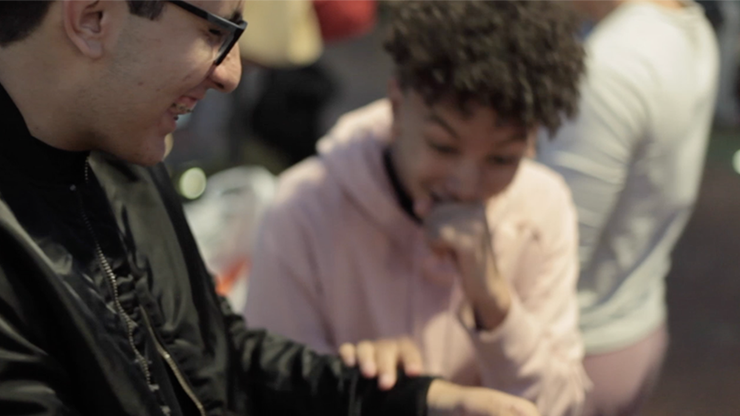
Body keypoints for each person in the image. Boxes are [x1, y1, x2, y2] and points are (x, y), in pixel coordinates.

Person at [0, 1, 541, 415]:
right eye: (215, 32)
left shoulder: (120, 149)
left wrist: (423, 400)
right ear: (92, 18)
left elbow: (218, 358)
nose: (230, 73)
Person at [245, 1, 589, 415]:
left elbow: (559, 404)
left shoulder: (543, 206)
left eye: (501, 159)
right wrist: (366, 386)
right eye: (443, 146)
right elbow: (269, 390)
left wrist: (495, 304)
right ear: (396, 104)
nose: (465, 184)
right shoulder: (304, 208)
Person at [537, 0, 719, 414]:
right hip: (635, 324)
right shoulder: (687, 25)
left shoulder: (612, 66)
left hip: (577, 349)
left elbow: (553, 259)